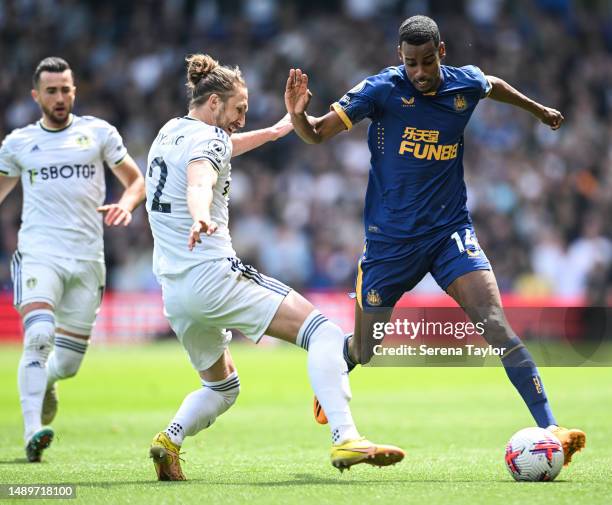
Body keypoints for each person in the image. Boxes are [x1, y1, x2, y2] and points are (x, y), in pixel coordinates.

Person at [284, 15, 586, 465]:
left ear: (442, 52)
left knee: (496, 326)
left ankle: (551, 426)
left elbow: (493, 84)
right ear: (399, 59)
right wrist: (296, 115)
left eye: (427, 62)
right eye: (411, 64)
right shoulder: (381, 90)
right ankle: (336, 369)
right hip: (390, 245)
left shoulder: (462, 86)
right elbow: (315, 134)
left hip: (449, 234)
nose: (420, 73)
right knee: (367, 349)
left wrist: (539, 110)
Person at [145, 53, 404, 481]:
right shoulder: (208, 142)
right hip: (214, 276)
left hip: (175, 291)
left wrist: (285, 123)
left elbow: (226, 149)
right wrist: (199, 214)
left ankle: (169, 439)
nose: (241, 119)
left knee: (222, 387)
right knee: (322, 331)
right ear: (213, 105)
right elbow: (200, 179)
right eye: (238, 109)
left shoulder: (170, 131)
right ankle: (346, 435)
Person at [0, 57, 145, 462]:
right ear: (36, 96)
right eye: (51, 91)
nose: (60, 97)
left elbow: (136, 181)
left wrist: (126, 204)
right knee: (39, 335)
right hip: (39, 253)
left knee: (66, 363)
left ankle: (46, 380)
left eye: (66, 89)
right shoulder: (18, 144)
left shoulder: (98, 133)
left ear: (74, 91)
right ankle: (32, 431)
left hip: (87, 259)